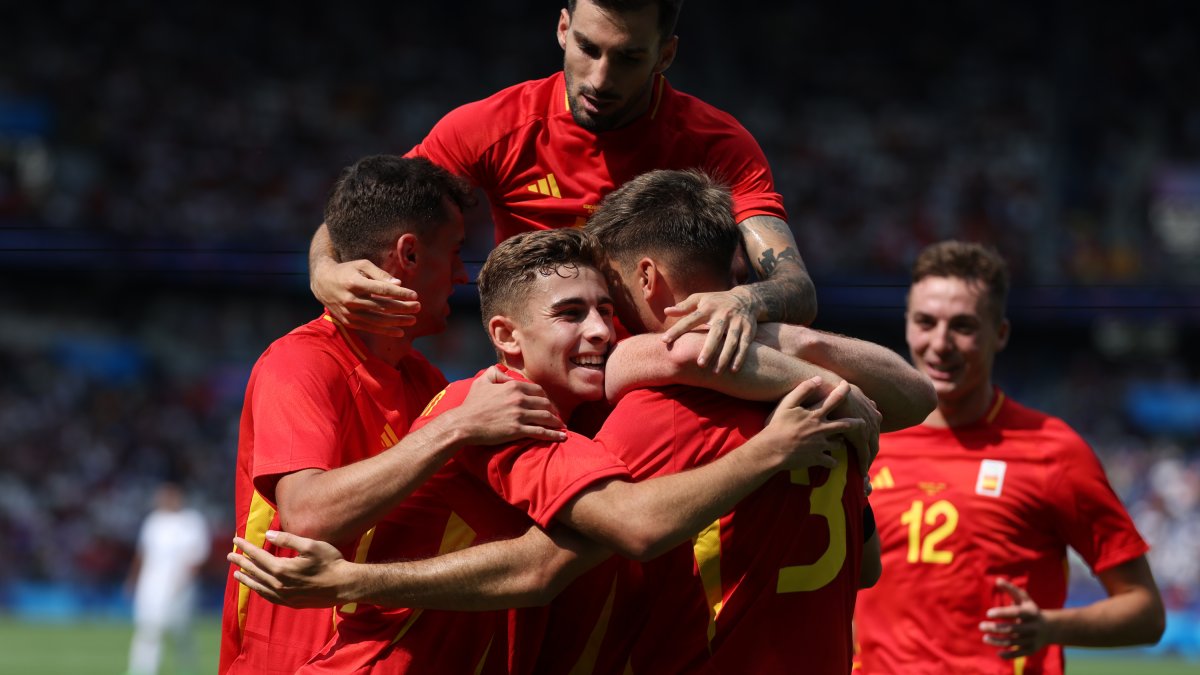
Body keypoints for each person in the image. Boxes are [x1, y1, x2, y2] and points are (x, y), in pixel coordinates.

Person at [231, 173, 936, 674]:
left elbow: (548, 563)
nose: (605, 330)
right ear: (507, 336)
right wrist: (801, 412)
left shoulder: (630, 417)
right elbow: (607, 537)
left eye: (609, 305)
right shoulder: (504, 410)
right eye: (574, 314)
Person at [308, 0, 816, 373]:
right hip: (541, 395)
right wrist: (323, 270)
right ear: (562, 27)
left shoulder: (717, 145)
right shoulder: (495, 127)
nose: (600, 78)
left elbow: (795, 288)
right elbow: (371, 209)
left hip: (672, 389)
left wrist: (745, 301)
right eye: (588, 48)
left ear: (665, 55)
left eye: (628, 58)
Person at [219, 155, 569, 675]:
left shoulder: (425, 381)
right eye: (453, 253)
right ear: (408, 254)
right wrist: (456, 427)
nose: (460, 275)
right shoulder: (300, 361)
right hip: (287, 663)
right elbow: (310, 515)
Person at [854, 241, 1166, 674]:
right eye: (926, 322)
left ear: (999, 334)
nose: (940, 343)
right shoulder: (865, 438)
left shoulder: (1054, 450)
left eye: (963, 326)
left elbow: (1146, 611)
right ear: (906, 324)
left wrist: (1050, 627)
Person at [125, 482, 211, 675]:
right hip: (151, 584)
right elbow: (142, 553)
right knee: (148, 626)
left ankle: (188, 667)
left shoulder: (192, 521)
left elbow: (197, 555)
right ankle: (142, 669)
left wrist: (184, 581)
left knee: (180, 629)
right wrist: (133, 579)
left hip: (180, 585)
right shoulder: (153, 521)